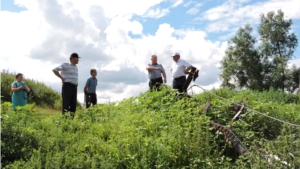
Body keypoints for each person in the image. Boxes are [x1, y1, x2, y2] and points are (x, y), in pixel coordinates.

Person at [52, 53, 80, 117]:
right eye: (77, 58)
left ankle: (71, 121)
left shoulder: (76, 67)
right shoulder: (65, 65)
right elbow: (55, 70)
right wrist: (61, 77)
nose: (78, 59)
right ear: (72, 58)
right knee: (66, 104)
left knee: (73, 105)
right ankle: (64, 120)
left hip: (74, 87)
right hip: (67, 86)